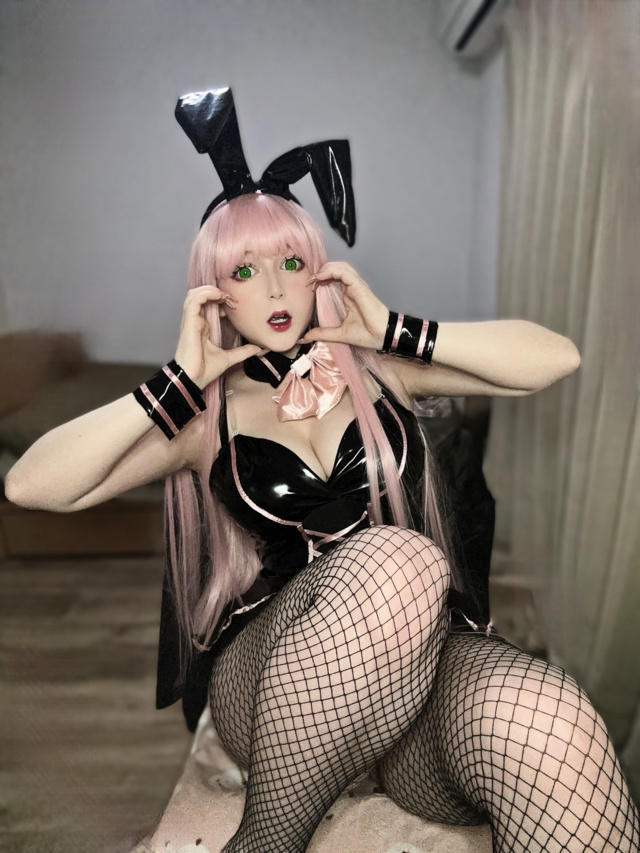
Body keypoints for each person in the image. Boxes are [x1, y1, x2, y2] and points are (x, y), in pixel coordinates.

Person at [6, 90, 639, 853]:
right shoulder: (203, 416)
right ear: (213, 292)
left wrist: (392, 329)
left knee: (554, 722)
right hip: (272, 673)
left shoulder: (378, 371)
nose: (274, 289)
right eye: (245, 270)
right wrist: (179, 378)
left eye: (291, 262)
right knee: (401, 560)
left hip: (419, 666)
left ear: (320, 271)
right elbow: (29, 483)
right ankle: (265, 841)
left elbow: (555, 357)